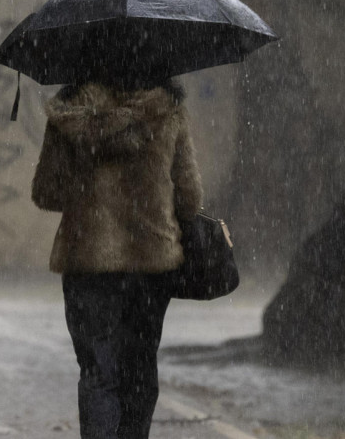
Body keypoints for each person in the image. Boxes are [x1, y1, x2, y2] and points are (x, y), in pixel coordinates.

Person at [31, 76, 202, 439]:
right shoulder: (168, 108)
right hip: (151, 262)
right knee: (140, 369)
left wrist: (88, 189)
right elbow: (189, 199)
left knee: (98, 374)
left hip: (88, 261)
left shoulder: (69, 111)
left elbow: (46, 192)